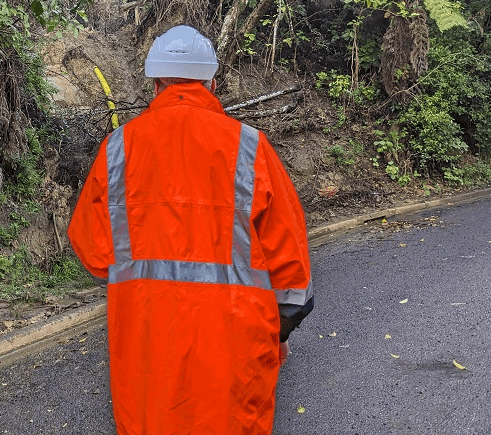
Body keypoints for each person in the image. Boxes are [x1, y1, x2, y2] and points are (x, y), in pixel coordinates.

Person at [68, 25, 313, 435]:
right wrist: (281, 330)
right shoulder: (250, 147)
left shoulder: (117, 150)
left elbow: (93, 251)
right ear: (212, 82)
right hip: (235, 346)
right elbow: (292, 268)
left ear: (156, 82)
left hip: (147, 346)